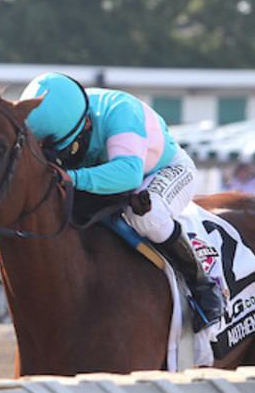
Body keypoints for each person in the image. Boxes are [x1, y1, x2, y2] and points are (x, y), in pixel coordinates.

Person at [21, 71, 225, 328]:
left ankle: (202, 286)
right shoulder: (60, 117)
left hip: (160, 171)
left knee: (147, 215)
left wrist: (71, 177)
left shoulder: (120, 111)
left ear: (84, 124)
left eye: (65, 149)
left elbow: (129, 175)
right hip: (107, 173)